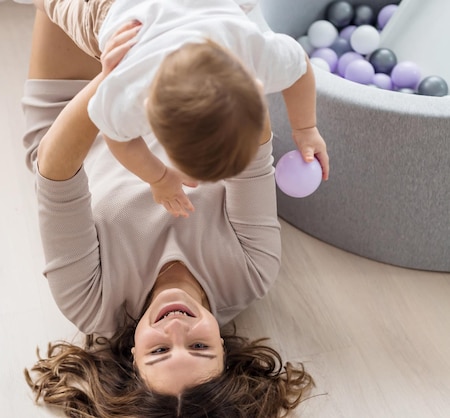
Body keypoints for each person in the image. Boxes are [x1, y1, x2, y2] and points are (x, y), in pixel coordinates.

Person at [21, 11, 314, 417]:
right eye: (199, 347)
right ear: (225, 352)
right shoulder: (250, 272)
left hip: (76, 111)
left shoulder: (91, 303)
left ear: (131, 357)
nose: (176, 327)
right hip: (184, 91)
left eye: (159, 350)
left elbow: (55, 173)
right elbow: (254, 145)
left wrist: (111, 82)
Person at [27, 0, 330, 218]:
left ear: (257, 85)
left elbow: (300, 65)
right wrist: (159, 178)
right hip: (111, 9)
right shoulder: (131, 91)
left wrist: (306, 129)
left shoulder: (255, 52)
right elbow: (116, 135)